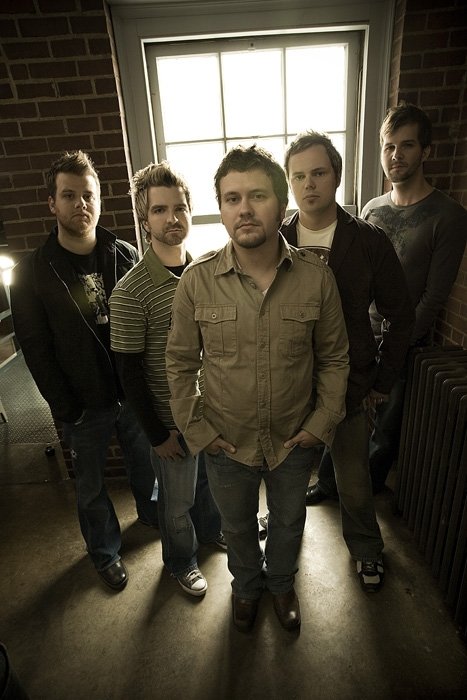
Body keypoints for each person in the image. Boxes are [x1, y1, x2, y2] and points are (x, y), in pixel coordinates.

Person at [166, 145, 349, 631]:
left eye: (258, 196)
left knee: (289, 522)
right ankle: (246, 587)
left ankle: (282, 584)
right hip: (227, 441)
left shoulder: (317, 279)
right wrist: (199, 431)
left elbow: (335, 358)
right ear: (221, 209)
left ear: (281, 203)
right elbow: (179, 363)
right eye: (232, 199)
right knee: (237, 526)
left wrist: (320, 424)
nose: (244, 209)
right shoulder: (197, 281)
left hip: (294, 439)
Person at [10, 151, 159, 592]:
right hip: (82, 404)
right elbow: (36, 348)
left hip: (131, 394)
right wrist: (66, 408)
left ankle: (152, 517)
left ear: (99, 200)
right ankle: (105, 553)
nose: (81, 204)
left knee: (145, 467)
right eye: (69, 195)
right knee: (91, 488)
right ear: (51, 203)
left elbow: (148, 323)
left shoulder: (125, 254)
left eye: (88, 195)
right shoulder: (30, 272)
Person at [280, 131, 414, 592]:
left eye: (318, 173)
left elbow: (401, 315)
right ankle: (282, 554)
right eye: (299, 176)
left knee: (354, 479)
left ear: (336, 175)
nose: (309, 184)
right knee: (284, 476)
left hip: (350, 383)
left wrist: (382, 378)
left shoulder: (368, 240)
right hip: (289, 381)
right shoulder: (275, 239)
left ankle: (366, 550)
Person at [109, 162, 224, 597]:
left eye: (179, 208)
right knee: (177, 504)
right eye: (159, 210)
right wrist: (156, 434)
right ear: (145, 220)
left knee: (208, 486)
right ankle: (180, 561)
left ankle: (211, 533)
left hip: (208, 411)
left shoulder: (205, 273)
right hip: (169, 420)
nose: (172, 218)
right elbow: (128, 372)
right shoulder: (130, 291)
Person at [361, 102, 467, 492]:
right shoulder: (372, 210)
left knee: (385, 428)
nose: (396, 155)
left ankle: (366, 495)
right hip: (360, 336)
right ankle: (329, 484)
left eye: (406, 145)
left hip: (404, 343)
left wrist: (396, 345)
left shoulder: (448, 215)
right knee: (346, 418)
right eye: (389, 146)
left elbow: (435, 296)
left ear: (426, 151)